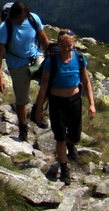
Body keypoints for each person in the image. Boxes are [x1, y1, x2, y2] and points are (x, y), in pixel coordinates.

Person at [33, 29, 96, 184]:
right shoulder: (51, 61)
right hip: (57, 102)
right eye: (63, 46)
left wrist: (92, 104)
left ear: (73, 45)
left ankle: (71, 143)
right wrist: (39, 109)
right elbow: (44, 86)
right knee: (59, 137)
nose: (67, 49)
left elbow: (86, 82)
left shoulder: (80, 59)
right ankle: (64, 168)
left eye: (70, 46)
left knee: (75, 135)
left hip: (74, 101)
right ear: (58, 45)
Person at [0, 1, 49, 142]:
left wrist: (50, 53)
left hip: (35, 60)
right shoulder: (6, 27)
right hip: (18, 65)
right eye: (17, 18)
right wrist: (0, 77)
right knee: (22, 99)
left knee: (49, 82)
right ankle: (23, 128)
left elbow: (43, 39)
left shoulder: (33, 19)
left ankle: (37, 110)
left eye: (22, 18)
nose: (19, 21)